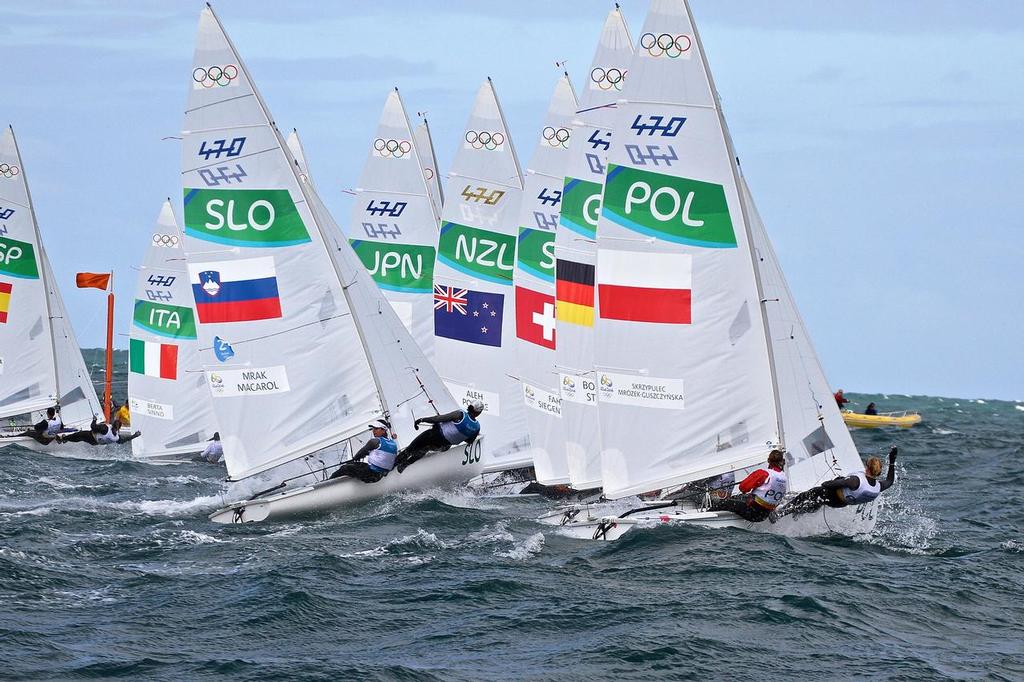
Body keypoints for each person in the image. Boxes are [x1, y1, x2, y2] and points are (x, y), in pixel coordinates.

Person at [770, 447, 898, 522]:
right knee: (815, 503)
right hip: (840, 503)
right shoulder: (877, 487)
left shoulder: (855, 481)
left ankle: (779, 514)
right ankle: (797, 513)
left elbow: (828, 484)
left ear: (867, 467)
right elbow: (890, 481)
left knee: (807, 496)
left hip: (830, 495)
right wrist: (892, 461)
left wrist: (835, 480)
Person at [394, 401, 483, 473]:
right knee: (425, 449)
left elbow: (438, 419)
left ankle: (392, 465)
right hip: (444, 445)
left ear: (470, 407)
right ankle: (405, 465)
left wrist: (422, 420)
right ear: (479, 413)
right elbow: (469, 441)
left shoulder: (460, 414)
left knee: (410, 449)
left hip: (433, 436)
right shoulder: (477, 427)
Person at [708, 449, 787, 522]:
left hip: (752, 513)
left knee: (724, 502)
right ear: (782, 461)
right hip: (766, 514)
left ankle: (707, 514)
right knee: (737, 498)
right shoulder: (783, 477)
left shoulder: (763, 473)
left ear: (768, 460)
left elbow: (743, 488)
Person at [329, 420, 398, 483]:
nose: (374, 431)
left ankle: (328, 483)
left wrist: (354, 458)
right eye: (373, 429)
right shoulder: (393, 443)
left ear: (384, 430)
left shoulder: (374, 441)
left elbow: (361, 453)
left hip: (373, 476)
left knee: (345, 467)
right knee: (357, 464)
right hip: (381, 474)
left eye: (376, 429)